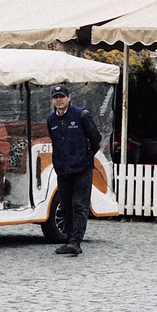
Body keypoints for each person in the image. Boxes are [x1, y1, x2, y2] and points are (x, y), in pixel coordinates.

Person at [45, 83, 101, 257]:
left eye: (62, 96)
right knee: (66, 205)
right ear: (53, 100)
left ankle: (76, 242)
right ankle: (69, 240)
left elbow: (96, 139)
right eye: (56, 97)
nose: (59, 100)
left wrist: (86, 158)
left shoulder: (81, 115)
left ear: (69, 98)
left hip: (81, 169)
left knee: (80, 205)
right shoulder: (51, 120)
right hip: (63, 169)